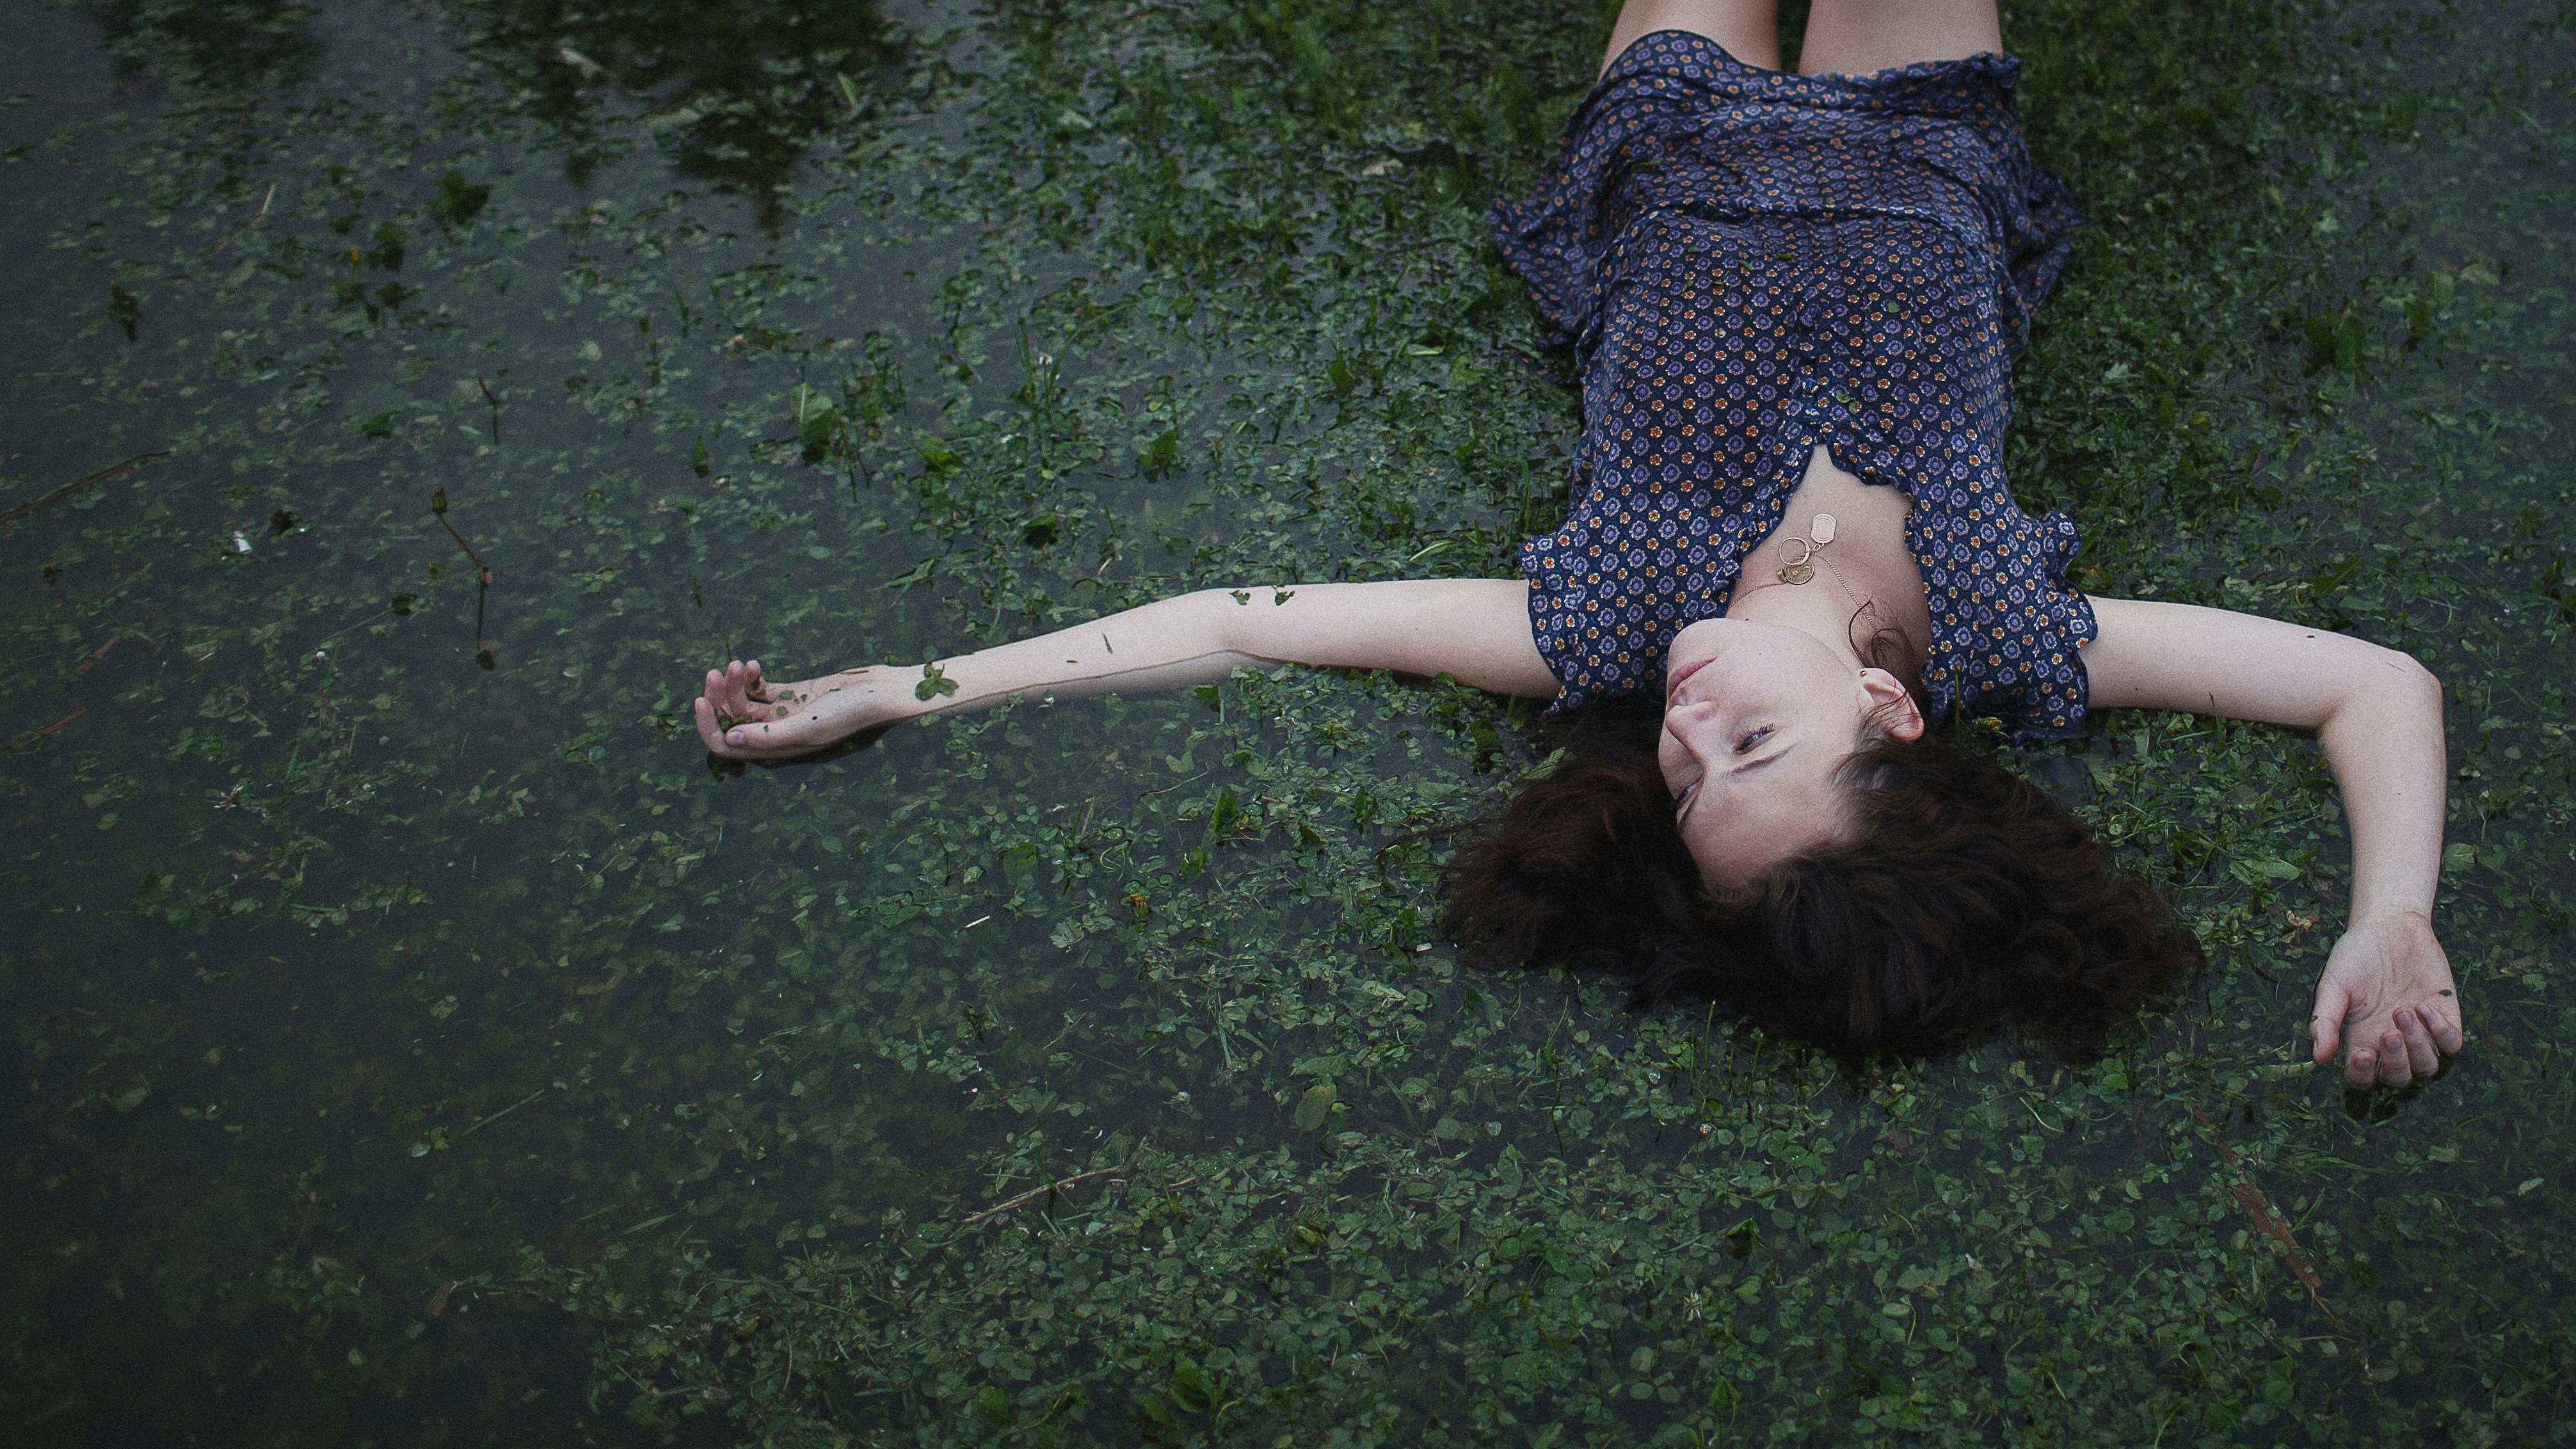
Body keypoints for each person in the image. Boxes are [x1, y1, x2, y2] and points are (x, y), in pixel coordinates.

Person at [692, 0, 2463, 1087]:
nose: (1680, 726)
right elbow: (2371, 685)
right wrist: (2392, 917)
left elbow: (1238, 620)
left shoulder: (1606, 621)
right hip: (1932, 150)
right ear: (1888, 713)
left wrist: (914, 689)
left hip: (1672, 133)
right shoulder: (2005, 626)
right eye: (1747, 746)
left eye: (1683, 781)